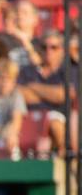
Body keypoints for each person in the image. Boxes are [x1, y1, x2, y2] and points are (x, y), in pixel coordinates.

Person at [18, 29, 77, 157]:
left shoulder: (69, 70)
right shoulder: (28, 70)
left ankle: (64, 162)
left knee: (54, 121)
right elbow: (20, 95)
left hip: (60, 120)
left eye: (54, 47)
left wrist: (33, 86)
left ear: (62, 50)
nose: (48, 51)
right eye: (44, 47)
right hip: (29, 119)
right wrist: (52, 95)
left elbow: (65, 95)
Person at [0, 0, 42, 67]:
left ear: (35, 19)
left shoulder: (40, 43)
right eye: (17, 12)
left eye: (25, 12)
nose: (20, 15)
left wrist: (26, 42)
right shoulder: (4, 39)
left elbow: (39, 66)